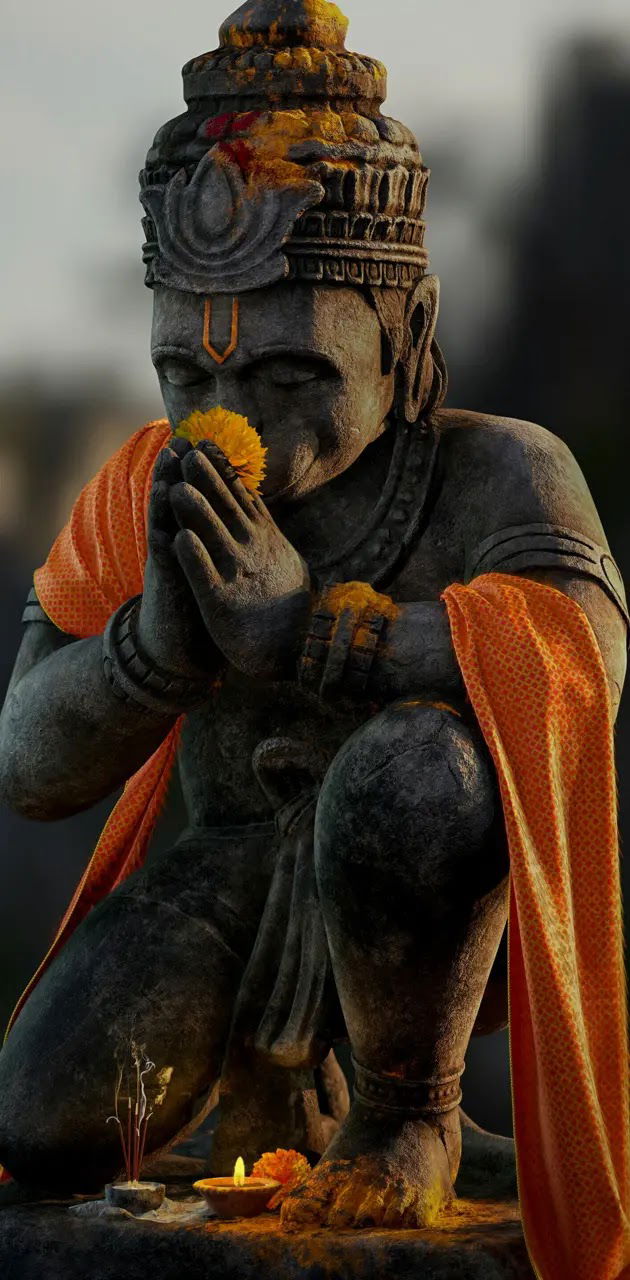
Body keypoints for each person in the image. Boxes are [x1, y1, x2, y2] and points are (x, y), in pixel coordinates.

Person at [0, 3, 628, 1275]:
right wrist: (155, 652)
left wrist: (315, 635)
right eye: (191, 375)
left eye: (290, 380)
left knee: (410, 771)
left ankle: (411, 1114)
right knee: (45, 1115)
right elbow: (27, 758)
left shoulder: (496, 474)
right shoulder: (145, 487)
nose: (233, 418)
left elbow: (582, 656)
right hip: (232, 869)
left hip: (418, 868)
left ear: (404, 345)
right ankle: (278, 1099)